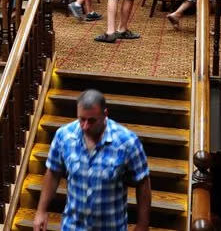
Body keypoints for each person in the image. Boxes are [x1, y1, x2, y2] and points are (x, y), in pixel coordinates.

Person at [33, 89, 151, 231]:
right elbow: (53, 172)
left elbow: (143, 181)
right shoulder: (64, 136)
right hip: (73, 226)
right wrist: (41, 210)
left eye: (91, 121)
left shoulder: (127, 142)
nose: (85, 126)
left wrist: (143, 224)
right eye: (82, 119)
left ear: (105, 115)